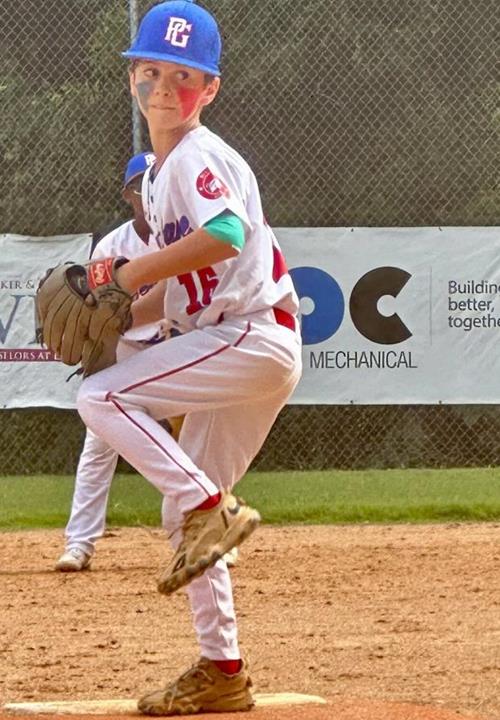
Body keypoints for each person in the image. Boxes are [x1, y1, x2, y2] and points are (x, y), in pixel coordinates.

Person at [76, 1, 302, 714]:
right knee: (185, 522)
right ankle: (222, 671)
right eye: (152, 72)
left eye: (184, 76)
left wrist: (129, 275)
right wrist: (115, 317)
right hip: (250, 341)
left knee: (100, 398)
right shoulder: (162, 174)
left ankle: (209, 503)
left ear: (209, 90)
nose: (165, 88)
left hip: (249, 333)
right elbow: (178, 289)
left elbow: (227, 234)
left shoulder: (197, 154)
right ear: (132, 80)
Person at [56, 151, 169, 571]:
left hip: (175, 344)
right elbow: (96, 311)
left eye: (157, 183)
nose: (150, 193)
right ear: (128, 195)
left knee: (201, 437)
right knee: (99, 440)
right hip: (126, 349)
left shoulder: (180, 235)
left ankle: (208, 536)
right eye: (142, 187)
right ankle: (79, 543)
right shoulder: (112, 247)